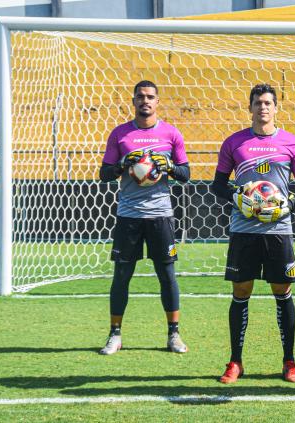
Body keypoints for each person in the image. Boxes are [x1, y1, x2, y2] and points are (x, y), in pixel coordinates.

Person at [211, 83, 295, 384]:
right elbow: (217, 184)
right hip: (244, 230)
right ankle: (235, 362)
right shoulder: (234, 143)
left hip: (279, 230)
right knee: (241, 292)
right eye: (258, 102)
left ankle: (290, 362)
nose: (263, 107)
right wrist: (237, 199)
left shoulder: (291, 143)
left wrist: (291, 205)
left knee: (282, 292)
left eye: (268, 102)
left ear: (276, 107)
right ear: (250, 107)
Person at [98, 80, 191, 355]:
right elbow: (104, 174)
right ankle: (115, 335)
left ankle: (173, 335)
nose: (145, 101)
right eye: (140, 96)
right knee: (122, 275)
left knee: (167, 275)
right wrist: (122, 166)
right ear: (134, 100)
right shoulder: (120, 134)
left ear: (157, 101)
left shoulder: (171, 134)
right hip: (129, 216)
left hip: (160, 215)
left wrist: (170, 166)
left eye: (150, 97)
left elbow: (186, 175)